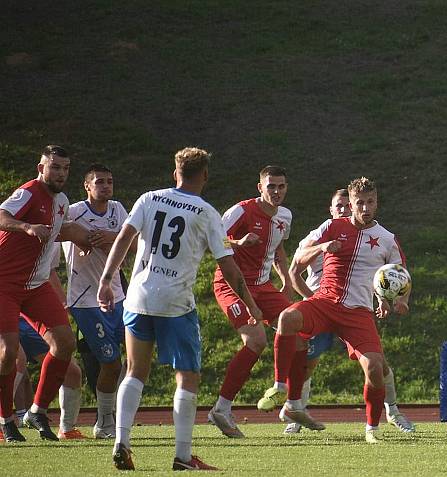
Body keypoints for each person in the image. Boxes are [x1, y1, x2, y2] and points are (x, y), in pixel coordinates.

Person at [97, 147, 262, 471]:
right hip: (175, 305)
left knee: (134, 372)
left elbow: (123, 239)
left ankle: (121, 442)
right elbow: (228, 267)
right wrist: (251, 304)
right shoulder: (207, 213)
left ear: (175, 173)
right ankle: (183, 456)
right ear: (205, 176)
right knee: (187, 377)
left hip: (139, 298)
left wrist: (106, 280)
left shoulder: (149, 199)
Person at [268, 177, 410, 443]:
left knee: (375, 368)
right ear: (351, 204)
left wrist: (400, 300)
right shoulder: (332, 226)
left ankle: (372, 429)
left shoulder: (387, 238)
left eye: (370, 202)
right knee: (287, 318)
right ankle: (282, 388)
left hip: (358, 312)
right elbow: (298, 258)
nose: (366, 208)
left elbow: (401, 274)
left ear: (377, 202)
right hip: (325, 302)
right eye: (360, 203)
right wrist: (322, 247)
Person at [0, 145, 89, 442]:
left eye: (65, 168)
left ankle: (37, 411)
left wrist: (87, 239)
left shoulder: (61, 200)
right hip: (4, 284)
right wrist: (25, 227)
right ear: (41, 168)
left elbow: (60, 229)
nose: (61, 173)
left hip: (36, 285)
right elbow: (1, 216)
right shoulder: (28, 191)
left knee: (64, 343)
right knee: (8, 353)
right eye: (55, 167)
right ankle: (6, 419)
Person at [207, 165, 302, 438]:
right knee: (256, 340)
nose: (276, 191)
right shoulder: (241, 211)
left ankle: (291, 404)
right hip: (231, 283)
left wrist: (284, 280)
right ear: (260, 187)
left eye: (281, 186)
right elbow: (214, 242)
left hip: (263, 285)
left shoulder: (285, 215)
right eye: (270, 186)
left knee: (299, 336)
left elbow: (279, 248)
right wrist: (238, 242)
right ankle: (221, 409)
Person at [62, 163, 131, 439]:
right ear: (87, 186)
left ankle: (108, 419)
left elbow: (134, 241)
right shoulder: (75, 212)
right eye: (99, 182)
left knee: (128, 360)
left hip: (118, 295)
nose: (106, 186)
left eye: (109, 181)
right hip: (84, 299)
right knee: (111, 362)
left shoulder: (118, 210)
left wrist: (112, 238)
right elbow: (55, 232)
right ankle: (104, 422)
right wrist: (79, 238)